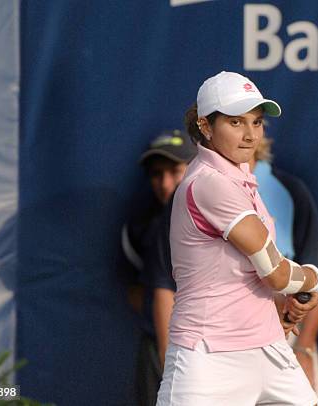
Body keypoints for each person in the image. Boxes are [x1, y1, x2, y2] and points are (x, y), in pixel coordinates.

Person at [156, 71, 318, 406]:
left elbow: (251, 277)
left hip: (269, 352)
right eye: (236, 123)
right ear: (205, 126)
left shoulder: (242, 180)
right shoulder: (209, 183)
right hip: (207, 360)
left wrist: (285, 312)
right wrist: (313, 278)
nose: (250, 136)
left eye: (257, 123)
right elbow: (275, 272)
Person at [249, 136, 318, 404]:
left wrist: (304, 348)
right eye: (233, 122)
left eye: (252, 122)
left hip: (288, 340)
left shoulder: (288, 191)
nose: (244, 133)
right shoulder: (202, 189)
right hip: (225, 339)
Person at [117, 130, 196, 406]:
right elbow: (141, 292)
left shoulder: (219, 212)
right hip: (162, 350)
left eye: (175, 171)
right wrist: (169, 356)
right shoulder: (140, 226)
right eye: (156, 175)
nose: (165, 183)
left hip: (216, 347)